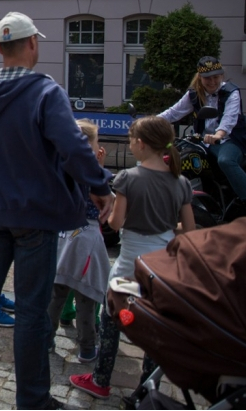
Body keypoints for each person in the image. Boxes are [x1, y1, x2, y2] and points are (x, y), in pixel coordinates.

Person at [0, 11, 114, 408]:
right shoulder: (45, 92)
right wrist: (100, 186)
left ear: (0, 47)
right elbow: (74, 146)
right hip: (35, 215)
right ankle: (33, 398)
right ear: (31, 44)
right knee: (31, 309)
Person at [70, 116, 195, 400]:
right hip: (162, 269)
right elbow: (188, 230)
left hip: (129, 268)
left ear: (139, 144)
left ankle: (101, 380)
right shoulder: (182, 182)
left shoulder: (128, 178)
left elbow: (115, 223)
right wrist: (164, 226)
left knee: (112, 319)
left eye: (129, 140)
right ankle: (145, 389)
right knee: (154, 326)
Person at [158, 56, 246, 216]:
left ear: (221, 75)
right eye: (207, 78)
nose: (212, 81)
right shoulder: (194, 94)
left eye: (216, 77)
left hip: (230, 139)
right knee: (175, 156)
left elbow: (230, 118)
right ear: (200, 77)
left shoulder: (231, 92)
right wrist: (148, 123)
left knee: (226, 161)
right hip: (203, 141)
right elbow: (173, 112)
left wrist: (218, 134)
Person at [47, 119, 112, 364]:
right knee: (87, 295)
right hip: (86, 241)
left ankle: (46, 339)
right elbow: (103, 199)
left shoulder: (60, 169)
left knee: (57, 292)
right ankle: (87, 347)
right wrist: (99, 168)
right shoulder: (93, 177)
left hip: (63, 237)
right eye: (96, 142)